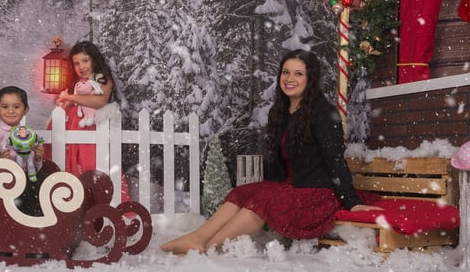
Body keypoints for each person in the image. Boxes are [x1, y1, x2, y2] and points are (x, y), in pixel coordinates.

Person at [161, 49, 383, 255]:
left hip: (317, 194)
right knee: (243, 192)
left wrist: (351, 200)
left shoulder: (323, 112)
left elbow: (335, 160)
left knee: (264, 200)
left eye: (298, 73)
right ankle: (198, 237)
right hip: (292, 187)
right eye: (286, 72)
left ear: (310, 79)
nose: (290, 78)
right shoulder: (281, 112)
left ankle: (209, 246)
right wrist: (268, 186)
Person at [54, 41, 129, 202]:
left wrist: (72, 97)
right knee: (74, 167)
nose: (81, 66)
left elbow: (99, 102)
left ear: (94, 60)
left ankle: (105, 205)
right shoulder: (76, 85)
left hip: (93, 130)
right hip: (74, 131)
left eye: (85, 61)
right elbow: (69, 106)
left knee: (95, 166)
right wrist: (65, 102)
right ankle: (78, 207)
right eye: (76, 63)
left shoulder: (103, 80)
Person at [0, 86, 46, 214]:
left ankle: (37, 222)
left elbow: (33, 164)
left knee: (42, 183)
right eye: (5, 106)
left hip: (26, 177)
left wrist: (38, 158)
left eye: (16, 107)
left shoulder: (28, 133)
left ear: (26, 110)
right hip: (5, 180)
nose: (10, 111)